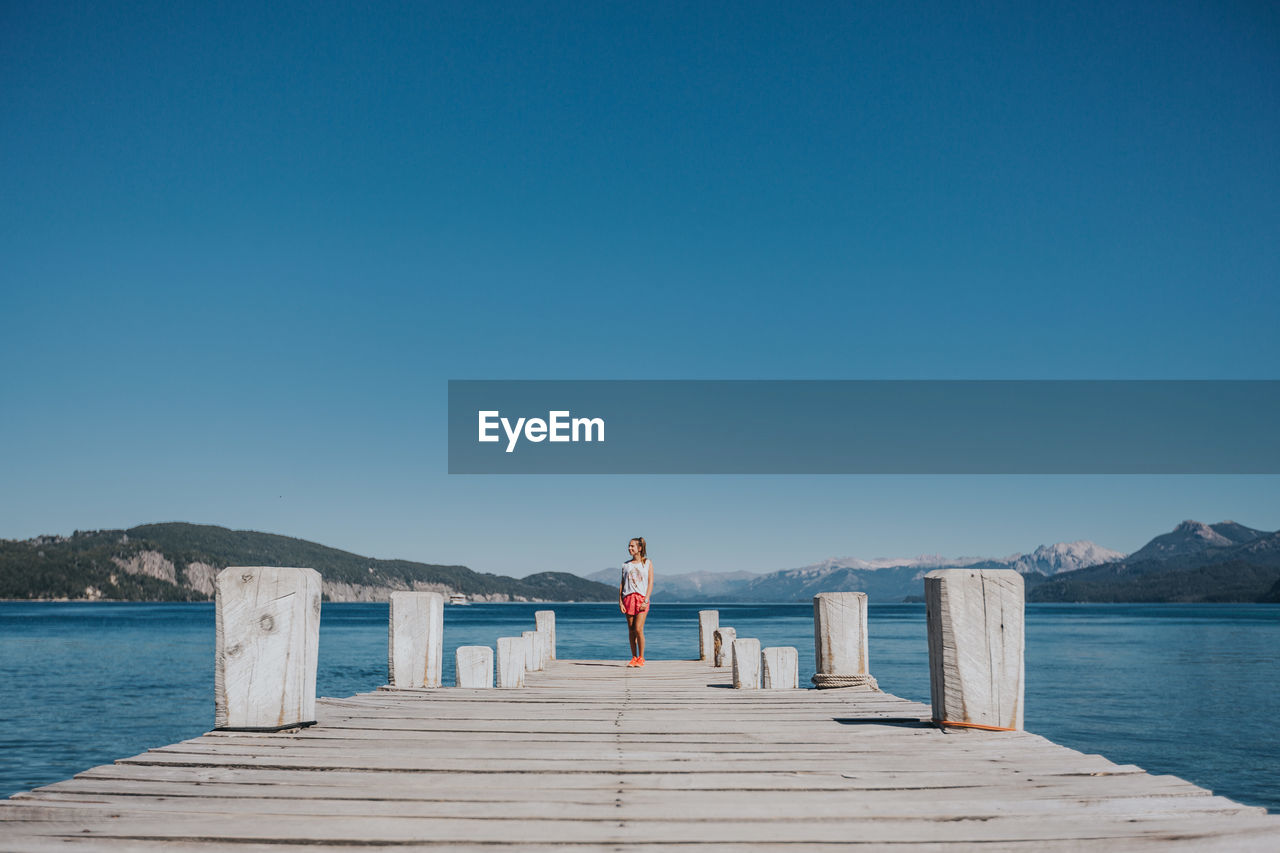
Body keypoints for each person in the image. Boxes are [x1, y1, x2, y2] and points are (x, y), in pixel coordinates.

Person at [619, 537, 654, 667]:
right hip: (628, 598)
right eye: (628, 546)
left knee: (639, 629)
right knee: (631, 630)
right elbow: (622, 584)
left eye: (632, 546)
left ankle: (641, 657)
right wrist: (621, 602)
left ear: (639, 548)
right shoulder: (625, 565)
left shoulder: (647, 563)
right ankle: (633, 657)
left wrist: (646, 599)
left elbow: (650, 582)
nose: (629, 548)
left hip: (641, 599)